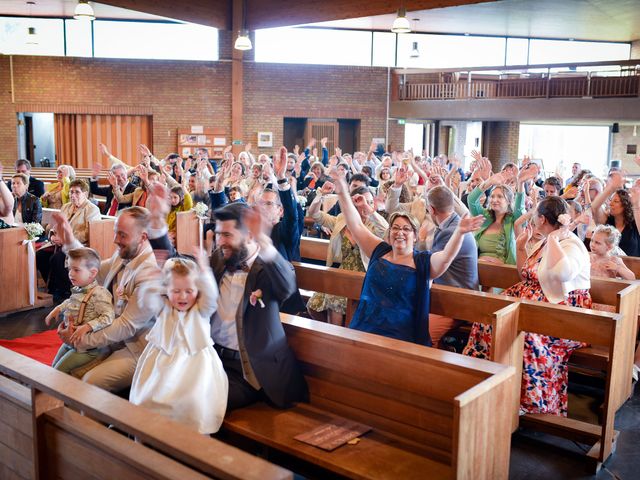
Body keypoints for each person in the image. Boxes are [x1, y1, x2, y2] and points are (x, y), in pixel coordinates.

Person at [464, 196, 591, 416]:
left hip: (564, 314)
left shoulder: (571, 244)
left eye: (534, 216)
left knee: (525, 336)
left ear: (542, 219)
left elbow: (563, 273)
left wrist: (554, 240)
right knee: (488, 322)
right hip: (535, 304)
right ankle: (490, 386)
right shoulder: (543, 240)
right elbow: (527, 276)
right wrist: (522, 248)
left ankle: (529, 401)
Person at [330, 171, 484, 345]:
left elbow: (446, 257)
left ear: (416, 236)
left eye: (406, 229)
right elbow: (355, 224)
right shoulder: (379, 251)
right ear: (389, 234)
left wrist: (459, 233)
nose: (400, 233)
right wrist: (342, 190)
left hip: (400, 335)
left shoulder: (422, 262)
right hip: (365, 328)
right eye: (395, 228)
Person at [50, 204, 163, 392]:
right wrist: (70, 240)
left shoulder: (151, 272)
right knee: (58, 366)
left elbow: (126, 326)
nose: (115, 240)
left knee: (90, 381)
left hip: (136, 347)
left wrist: (82, 340)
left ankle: (89, 420)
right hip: (111, 335)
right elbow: (92, 270)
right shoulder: (124, 254)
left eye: (122, 235)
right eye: (115, 232)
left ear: (143, 237)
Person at [130, 252, 228, 434]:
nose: (183, 296)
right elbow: (146, 300)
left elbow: (212, 295)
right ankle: (148, 436)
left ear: (198, 291)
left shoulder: (201, 310)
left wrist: (205, 270)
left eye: (189, 291)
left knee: (194, 404)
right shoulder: (163, 308)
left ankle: (193, 441)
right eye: (176, 291)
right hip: (162, 365)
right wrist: (154, 280)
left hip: (195, 367)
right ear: (166, 291)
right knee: (149, 398)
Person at [307, 184, 388, 325]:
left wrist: (369, 210)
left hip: (364, 276)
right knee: (312, 306)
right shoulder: (341, 219)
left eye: (369, 202)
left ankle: (337, 339)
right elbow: (314, 214)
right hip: (340, 273)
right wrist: (321, 194)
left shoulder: (373, 224)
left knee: (335, 300)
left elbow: (386, 231)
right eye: (361, 202)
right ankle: (332, 335)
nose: (365, 205)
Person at [44, 248, 114, 374]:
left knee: (59, 371)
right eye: (69, 269)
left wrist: (87, 326)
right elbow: (71, 301)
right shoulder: (79, 289)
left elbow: (108, 316)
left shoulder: (100, 293)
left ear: (92, 273)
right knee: (53, 367)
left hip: (88, 349)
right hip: (71, 341)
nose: (70, 273)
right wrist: (58, 309)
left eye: (76, 270)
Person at [427, 185, 480, 347]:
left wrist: (420, 242)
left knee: (423, 333)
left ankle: (433, 370)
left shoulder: (451, 231)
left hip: (457, 301)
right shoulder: (453, 224)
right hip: (448, 294)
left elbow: (429, 265)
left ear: (431, 209)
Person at [37, 180, 101, 301]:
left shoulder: (92, 209)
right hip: (60, 243)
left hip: (79, 246)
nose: (73, 195)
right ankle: (53, 286)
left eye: (77, 192)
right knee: (40, 255)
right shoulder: (66, 207)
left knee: (57, 258)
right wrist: (52, 235)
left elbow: (88, 233)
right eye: (71, 192)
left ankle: (66, 290)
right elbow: (54, 226)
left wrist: (65, 238)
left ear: (85, 194)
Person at [468, 158, 536, 264]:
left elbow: (519, 208)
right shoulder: (484, 216)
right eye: (492, 196)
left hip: (504, 271)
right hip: (478, 268)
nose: (494, 200)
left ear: (509, 201)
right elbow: (471, 200)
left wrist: (520, 183)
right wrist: (489, 182)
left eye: (500, 197)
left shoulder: (513, 219)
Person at [590, 171, 640, 257]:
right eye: (611, 200)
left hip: (632, 268)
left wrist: (635, 203)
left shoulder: (635, 223)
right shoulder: (607, 222)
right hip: (608, 266)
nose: (610, 204)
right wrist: (611, 188)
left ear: (625, 205)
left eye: (616, 201)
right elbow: (594, 207)